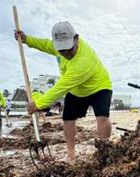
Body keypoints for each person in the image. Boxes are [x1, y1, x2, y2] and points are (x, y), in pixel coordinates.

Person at [15, 21, 113, 163]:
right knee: (67, 119)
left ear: (76, 39)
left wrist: (37, 104)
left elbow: (60, 88)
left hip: (99, 87)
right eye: (61, 50)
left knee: (102, 117)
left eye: (68, 49)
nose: (65, 53)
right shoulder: (59, 47)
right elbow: (45, 44)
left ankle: (104, 151)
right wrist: (27, 39)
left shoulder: (83, 62)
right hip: (76, 89)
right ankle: (71, 155)